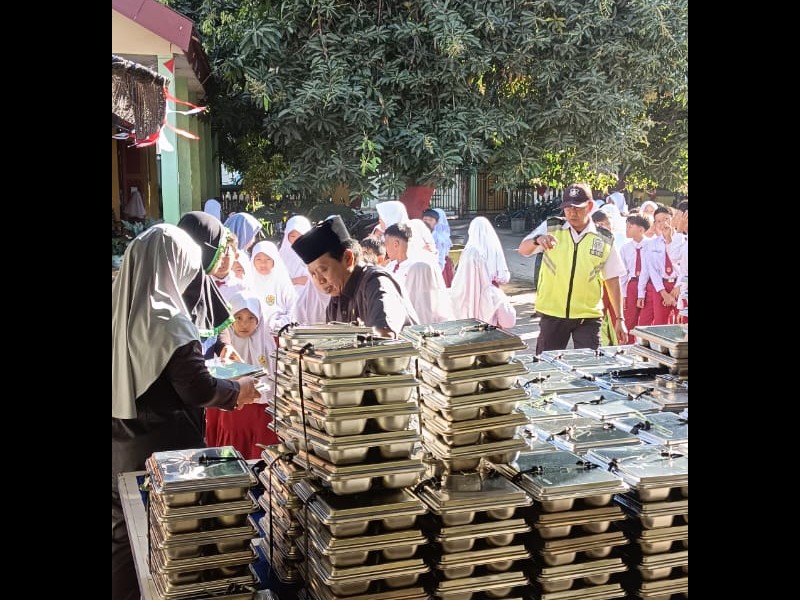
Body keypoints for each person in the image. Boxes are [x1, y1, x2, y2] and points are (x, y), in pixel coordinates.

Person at [112, 224, 261, 600]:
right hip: (163, 449)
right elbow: (197, 388)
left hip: (119, 441)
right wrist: (238, 390)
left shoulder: (117, 304)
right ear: (175, 265)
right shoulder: (169, 320)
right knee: (167, 542)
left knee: (122, 536)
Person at [517, 183, 627, 353]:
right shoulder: (552, 227)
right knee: (546, 363)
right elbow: (523, 250)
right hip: (552, 313)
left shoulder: (604, 238)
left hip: (588, 315)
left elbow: (612, 279)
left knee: (588, 364)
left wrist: (620, 318)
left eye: (577, 208)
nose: (572, 213)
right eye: (568, 208)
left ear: (589, 206)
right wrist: (537, 240)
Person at [291, 215, 418, 337]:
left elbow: (384, 335)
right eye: (313, 274)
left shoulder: (377, 282)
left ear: (348, 258)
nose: (320, 280)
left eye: (323, 270)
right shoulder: (336, 299)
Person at [206, 291, 279, 459]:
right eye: (238, 318)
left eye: (251, 318)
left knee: (260, 452)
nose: (244, 324)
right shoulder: (223, 347)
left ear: (259, 319)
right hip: (233, 409)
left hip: (262, 412)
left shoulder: (268, 344)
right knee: (233, 449)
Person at [176, 211, 237, 359]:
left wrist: (224, 345)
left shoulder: (204, 281)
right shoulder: (172, 287)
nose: (223, 255)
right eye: (221, 248)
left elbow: (215, 318)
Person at [450, 217, 517, 328]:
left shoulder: (453, 294)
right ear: (483, 268)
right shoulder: (494, 296)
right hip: (488, 336)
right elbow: (509, 322)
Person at [422, 208, 455, 287]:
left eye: (430, 220)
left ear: (437, 222)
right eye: (425, 219)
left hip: (438, 269)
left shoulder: (439, 238)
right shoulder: (422, 234)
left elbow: (441, 259)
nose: (427, 222)